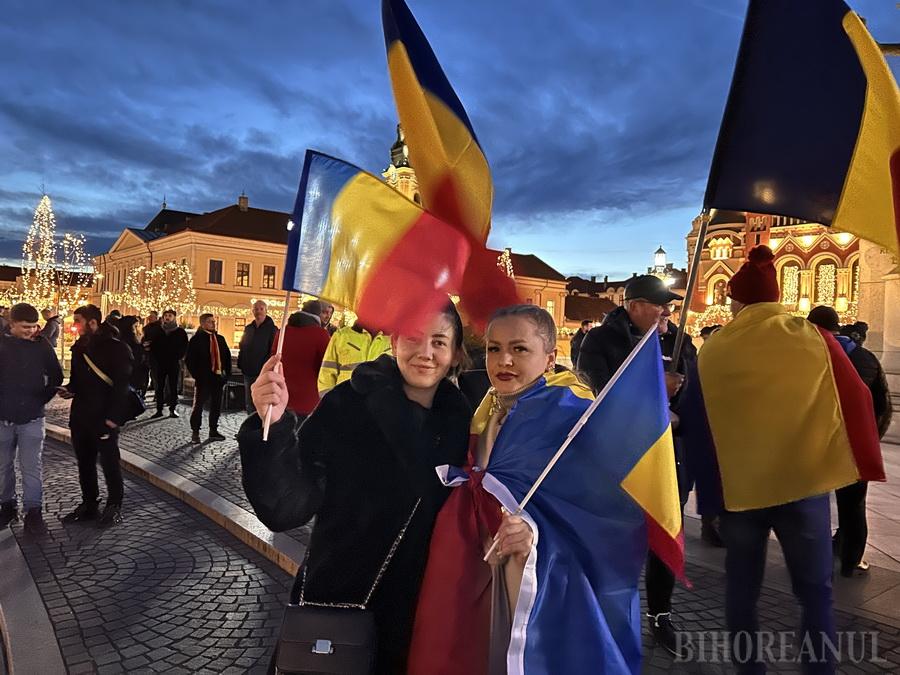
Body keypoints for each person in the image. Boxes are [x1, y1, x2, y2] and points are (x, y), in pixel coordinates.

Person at [408, 305, 673, 674]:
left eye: (519, 349)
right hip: (481, 568)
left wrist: (536, 534)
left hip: (540, 579)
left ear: (549, 359)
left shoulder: (573, 418)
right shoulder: (486, 408)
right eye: (494, 349)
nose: (504, 361)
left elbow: (610, 513)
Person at [239, 304, 470, 674]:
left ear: (455, 353)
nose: (425, 352)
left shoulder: (460, 419)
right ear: (395, 341)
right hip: (340, 602)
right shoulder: (348, 404)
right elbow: (285, 509)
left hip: (422, 618)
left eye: (439, 342)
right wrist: (273, 426)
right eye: (413, 337)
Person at [688, 246, 883, 673]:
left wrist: (710, 504)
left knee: (742, 590)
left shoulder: (716, 349)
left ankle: (750, 669)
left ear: (738, 301)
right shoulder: (815, 338)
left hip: (741, 494)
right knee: (815, 593)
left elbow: (702, 431)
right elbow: (857, 397)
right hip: (803, 488)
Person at [577, 274, 693, 656]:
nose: (667, 312)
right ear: (635, 305)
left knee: (662, 540)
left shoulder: (678, 341)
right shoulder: (601, 341)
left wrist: (679, 399)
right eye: (660, 305)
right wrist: (658, 388)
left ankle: (661, 613)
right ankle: (607, 613)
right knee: (616, 542)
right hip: (618, 460)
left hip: (667, 459)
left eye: (670, 306)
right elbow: (599, 394)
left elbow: (692, 396)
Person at [808, 306, 893, 578]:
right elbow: (882, 404)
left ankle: (812, 556)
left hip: (812, 442)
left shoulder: (806, 356)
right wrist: (871, 436)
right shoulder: (865, 357)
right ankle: (851, 561)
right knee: (853, 505)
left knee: (811, 501)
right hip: (853, 443)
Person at [58, 304, 133, 527]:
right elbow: (79, 380)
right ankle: (89, 503)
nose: (75, 325)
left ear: (93, 322)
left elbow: (122, 385)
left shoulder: (116, 348)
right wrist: (70, 389)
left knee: (110, 463)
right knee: (85, 462)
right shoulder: (79, 347)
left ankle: (114, 505)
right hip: (81, 415)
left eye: (78, 321)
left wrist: (113, 417)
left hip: (104, 416)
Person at [0, 303, 63, 535]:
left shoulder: (42, 346)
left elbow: (56, 375)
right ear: (12, 324)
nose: (31, 331)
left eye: (34, 326)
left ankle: (33, 512)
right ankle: (7, 505)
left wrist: (41, 399)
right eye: (26, 327)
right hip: (3, 417)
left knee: (31, 467)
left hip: (32, 417)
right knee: (3, 466)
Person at [273, 300, 330, 421]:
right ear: (318, 315)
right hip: (309, 401)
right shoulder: (321, 335)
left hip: (281, 399)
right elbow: (326, 369)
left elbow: (273, 361)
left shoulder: (282, 332)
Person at [186, 313, 231, 444]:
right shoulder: (196, 340)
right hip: (203, 379)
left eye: (214, 321)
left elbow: (227, 358)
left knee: (216, 405)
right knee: (198, 405)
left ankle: (213, 430)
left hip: (218, 379)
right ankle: (195, 431)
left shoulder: (220, 339)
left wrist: (226, 375)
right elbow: (190, 360)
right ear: (203, 323)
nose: (213, 323)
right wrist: (198, 375)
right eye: (210, 321)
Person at [317, 322, 392, 396]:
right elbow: (326, 374)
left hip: (377, 404)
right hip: (344, 401)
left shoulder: (394, 340)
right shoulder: (342, 335)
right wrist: (329, 403)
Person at [147, 309, 188, 419]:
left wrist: (177, 356)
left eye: (170, 315)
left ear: (174, 317)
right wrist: (157, 357)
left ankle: (172, 409)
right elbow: (154, 346)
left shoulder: (180, 332)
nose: (167, 317)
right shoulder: (159, 331)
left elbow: (184, 347)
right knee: (159, 387)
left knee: (173, 386)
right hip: (160, 363)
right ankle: (159, 409)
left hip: (173, 363)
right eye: (166, 315)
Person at [237, 300, 276, 414]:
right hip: (248, 371)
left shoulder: (272, 329)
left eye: (261, 309)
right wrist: (241, 363)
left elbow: (272, 351)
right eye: (256, 309)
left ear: (266, 311)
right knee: (249, 402)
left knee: (261, 402)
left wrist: (267, 367)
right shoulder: (249, 328)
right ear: (252, 311)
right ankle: (249, 429)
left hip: (262, 372)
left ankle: (260, 430)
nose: (258, 311)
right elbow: (242, 346)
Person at [117, 316, 150, 397]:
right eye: (135, 326)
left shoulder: (128, 339)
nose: (137, 329)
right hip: (131, 376)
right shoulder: (128, 340)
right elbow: (136, 358)